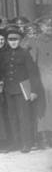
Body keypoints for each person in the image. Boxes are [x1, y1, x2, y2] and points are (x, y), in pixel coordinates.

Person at [0, 28, 40, 153]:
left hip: (22, 89)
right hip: (9, 89)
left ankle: (27, 143)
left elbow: (33, 73)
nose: (13, 42)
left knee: (24, 117)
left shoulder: (25, 53)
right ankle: (15, 143)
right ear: (7, 41)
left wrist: (34, 91)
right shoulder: (5, 54)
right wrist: (1, 82)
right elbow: (3, 71)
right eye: (10, 40)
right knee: (12, 117)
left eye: (15, 39)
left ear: (20, 40)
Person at [30, 16, 52, 148]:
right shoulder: (36, 42)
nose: (49, 28)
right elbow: (32, 64)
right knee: (44, 108)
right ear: (41, 27)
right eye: (47, 25)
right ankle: (44, 137)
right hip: (43, 80)